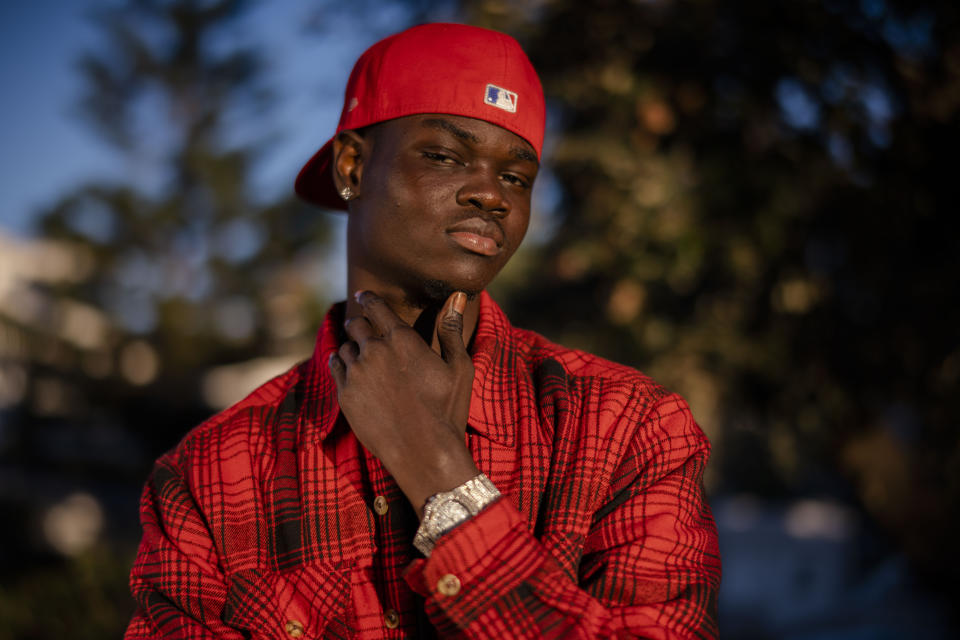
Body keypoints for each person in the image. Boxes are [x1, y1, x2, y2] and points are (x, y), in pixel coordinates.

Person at [125, 23, 721, 639]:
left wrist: (438, 471)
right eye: (444, 155)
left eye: (516, 177)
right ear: (351, 165)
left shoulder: (630, 429)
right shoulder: (210, 475)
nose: (491, 193)